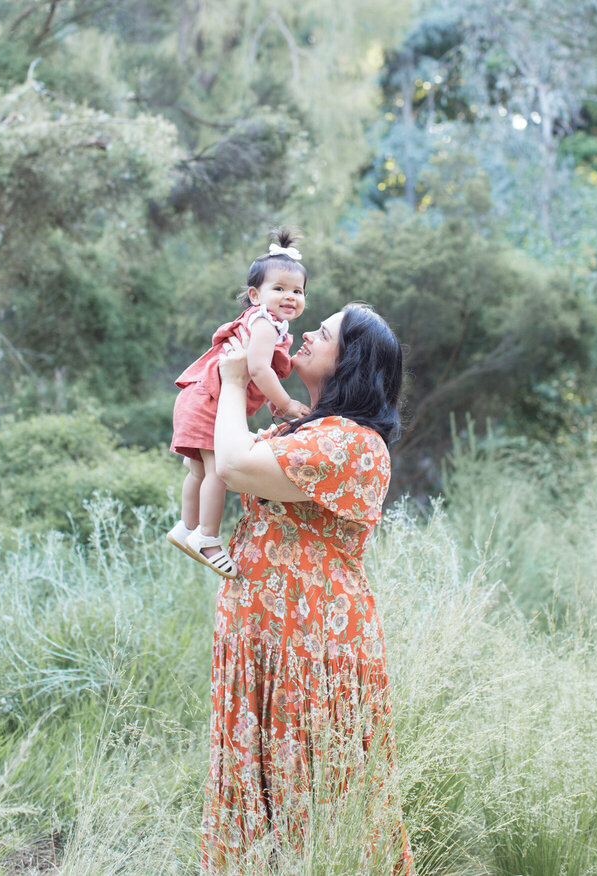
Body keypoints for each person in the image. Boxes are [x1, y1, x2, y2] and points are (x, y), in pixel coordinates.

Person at [202, 303, 415, 873]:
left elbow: (235, 465)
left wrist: (232, 380)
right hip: (269, 644)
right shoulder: (308, 429)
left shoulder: (350, 443)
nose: (306, 335)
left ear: (349, 363)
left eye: (323, 334)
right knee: (273, 794)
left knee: (313, 796)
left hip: (309, 649)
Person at [166, 230, 311, 578]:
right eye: (279, 289)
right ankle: (207, 537)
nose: (289, 296)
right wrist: (287, 403)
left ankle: (186, 527)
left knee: (199, 471)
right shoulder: (265, 324)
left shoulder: (266, 325)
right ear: (254, 294)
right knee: (217, 471)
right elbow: (259, 368)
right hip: (209, 401)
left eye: (297, 291)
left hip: (197, 396)